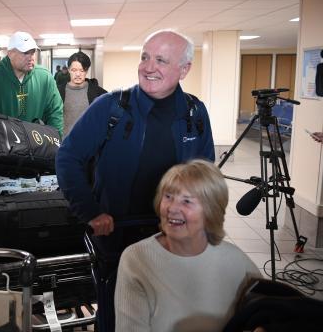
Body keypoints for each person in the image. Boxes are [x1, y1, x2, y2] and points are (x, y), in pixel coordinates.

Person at [56, 29, 215, 331]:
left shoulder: (195, 113)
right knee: (119, 317)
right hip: (118, 239)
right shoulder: (111, 108)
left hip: (174, 239)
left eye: (161, 60)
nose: (148, 66)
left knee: (168, 316)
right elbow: (68, 158)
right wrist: (90, 211)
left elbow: (205, 174)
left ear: (184, 69)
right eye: (145, 57)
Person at [114, 159, 260, 332]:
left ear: (210, 211)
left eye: (187, 201)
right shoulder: (137, 260)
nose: (172, 208)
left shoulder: (236, 261)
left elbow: (271, 309)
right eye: (168, 197)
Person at [0, 31, 63, 135]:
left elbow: (55, 113)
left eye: (32, 52)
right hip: (3, 147)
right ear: (10, 54)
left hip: (37, 146)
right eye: (25, 52)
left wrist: (55, 143)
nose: (31, 57)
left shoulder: (45, 77)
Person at [58, 51, 107, 136]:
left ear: (86, 71)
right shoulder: (58, 92)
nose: (78, 74)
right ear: (69, 69)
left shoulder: (98, 93)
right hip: (64, 145)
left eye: (82, 70)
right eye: (74, 70)